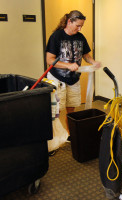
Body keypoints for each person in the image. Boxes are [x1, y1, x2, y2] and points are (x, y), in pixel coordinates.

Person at [46, 10, 101, 139]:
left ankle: (70, 135)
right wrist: (68, 65)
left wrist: (93, 62)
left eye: (82, 26)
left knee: (71, 109)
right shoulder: (56, 36)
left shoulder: (80, 37)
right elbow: (49, 60)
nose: (80, 28)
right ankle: (56, 138)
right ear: (69, 22)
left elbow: (85, 54)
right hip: (57, 78)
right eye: (78, 25)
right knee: (57, 111)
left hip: (73, 80)